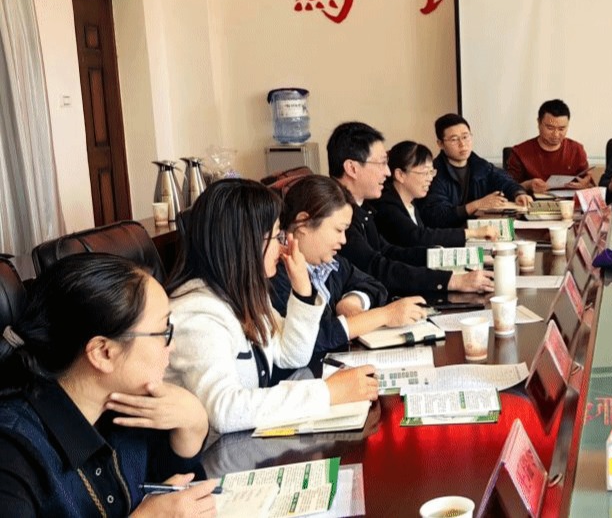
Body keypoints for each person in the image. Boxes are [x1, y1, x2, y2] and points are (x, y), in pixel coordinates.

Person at [0, 254, 215, 517]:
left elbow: (180, 500)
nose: (172, 346)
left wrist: (193, 426)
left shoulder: (126, 408)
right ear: (103, 353)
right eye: (163, 332)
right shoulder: (12, 454)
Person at [164, 178, 379, 434]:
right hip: (215, 452)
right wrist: (327, 393)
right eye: (277, 236)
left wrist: (302, 292)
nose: (283, 245)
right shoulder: (197, 314)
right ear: (246, 241)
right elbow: (224, 410)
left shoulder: (244, 293)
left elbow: (291, 355)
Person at [273, 175, 431, 375]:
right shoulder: (275, 273)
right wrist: (385, 315)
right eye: (339, 230)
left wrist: (351, 301)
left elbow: (373, 285)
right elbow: (311, 338)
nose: (344, 240)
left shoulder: (330, 263)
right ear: (303, 223)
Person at [329, 122, 493, 298]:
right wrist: (452, 281)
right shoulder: (335, 215)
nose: (387, 172)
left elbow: (390, 252)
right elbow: (376, 268)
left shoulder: (363, 209)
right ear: (352, 168)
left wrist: (462, 256)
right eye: (381, 163)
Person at [368, 141, 497, 249]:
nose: (430, 178)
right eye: (425, 173)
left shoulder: (411, 202)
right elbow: (418, 237)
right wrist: (472, 233)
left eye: (431, 172)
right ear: (400, 175)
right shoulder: (386, 205)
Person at [421, 114, 532, 228]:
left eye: (465, 137)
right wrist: (477, 205)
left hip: (480, 230)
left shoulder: (480, 165)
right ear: (440, 144)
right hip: (451, 234)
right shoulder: (433, 174)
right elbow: (437, 216)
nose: (462, 144)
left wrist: (519, 193)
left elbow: (504, 180)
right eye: (454, 139)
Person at [506, 99, 594, 195]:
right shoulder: (520, 152)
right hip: (532, 202)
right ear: (539, 123)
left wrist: (585, 186)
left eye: (561, 129)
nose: (556, 134)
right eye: (550, 128)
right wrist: (528, 185)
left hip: (568, 203)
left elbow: (591, 186)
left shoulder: (576, 150)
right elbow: (507, 188)